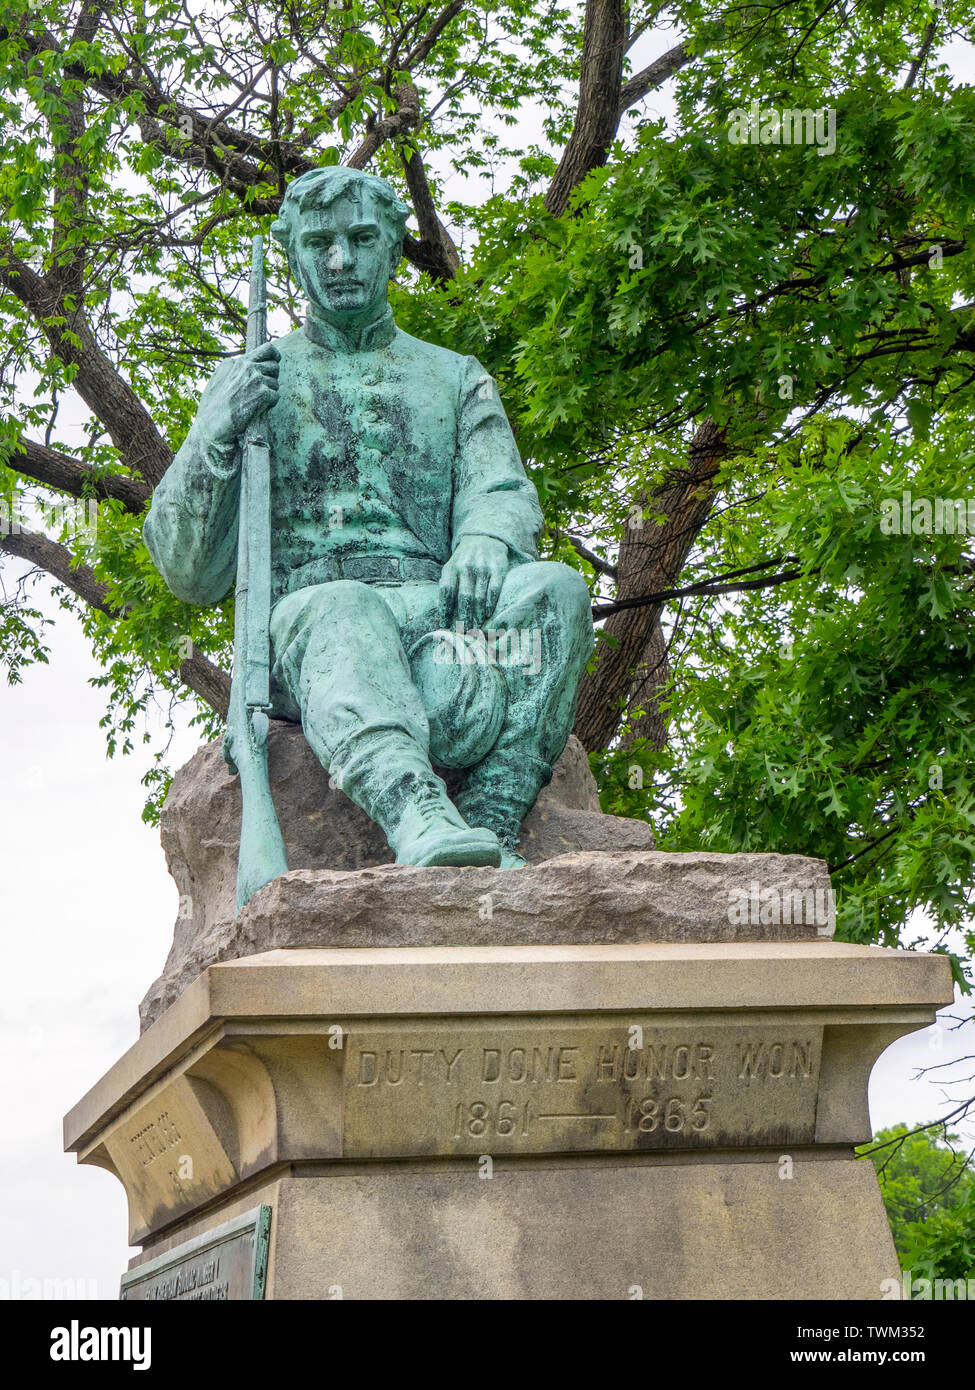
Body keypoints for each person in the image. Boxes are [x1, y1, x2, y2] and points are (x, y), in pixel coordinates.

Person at [145, 167, 594, 869]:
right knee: (345, 607)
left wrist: (482, 536)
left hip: (444, 620)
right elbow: (186, 572)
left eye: (360, 239)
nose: (340, 261)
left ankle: (494, 821)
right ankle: (415, 812)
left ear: (391, 248)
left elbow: (500, 489)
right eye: (319, 242)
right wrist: (214, 437)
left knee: (557, 590)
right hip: (319, 629)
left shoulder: (454, 375)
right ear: (292, 255)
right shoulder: (249, 383)